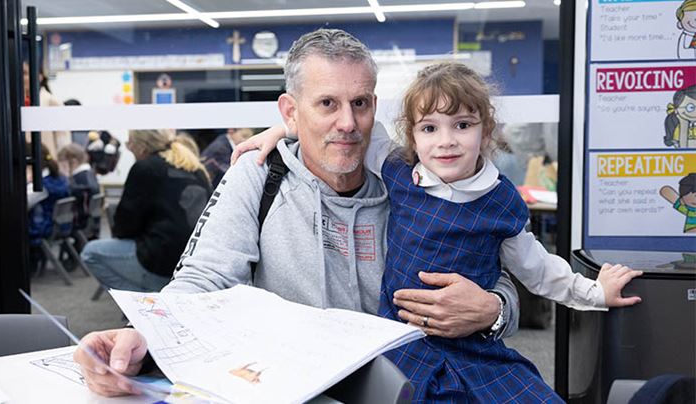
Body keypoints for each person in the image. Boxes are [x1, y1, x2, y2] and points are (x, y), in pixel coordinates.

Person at [74, 29, 521, 397]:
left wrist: (494, 311)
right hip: (290, 388)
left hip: (410, 385)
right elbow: (204, 278)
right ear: (291, 111)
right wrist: (142, 333)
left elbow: (494, 275)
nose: (347, 123)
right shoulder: (257, 174)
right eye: (327, 104)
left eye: (360, 103)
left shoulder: (414, 180)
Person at [238, 62, 644, 402]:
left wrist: (595, 293)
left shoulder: (501, 201)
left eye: (462, 125)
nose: (446, 141)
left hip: (475, 349)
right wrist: (283, 132)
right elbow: (342, 131)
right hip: (403, 346)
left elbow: (538, 269)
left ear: (486, 131)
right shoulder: (398, 170)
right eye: (429, 128)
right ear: (412, 137)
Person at [80, 129, 212, 293]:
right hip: (195, 260)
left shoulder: (144, 168)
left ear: (141, 147)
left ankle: (142, 299)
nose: (128, 147)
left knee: (90, 253)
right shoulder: (195, 168)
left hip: (160, 261)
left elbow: (124, 227)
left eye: (129, 143)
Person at [27, 143, 70, 273]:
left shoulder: (40, 186)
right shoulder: (59, 179)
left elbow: (22, 204)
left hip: (41, 228)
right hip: (58, 226)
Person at [57, 143, 101, 245]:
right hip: (91, 225)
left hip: (78, 224)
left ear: (74, 162)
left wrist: (64, 177)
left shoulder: (78, 180)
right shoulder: (90, 174)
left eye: (62, 163)